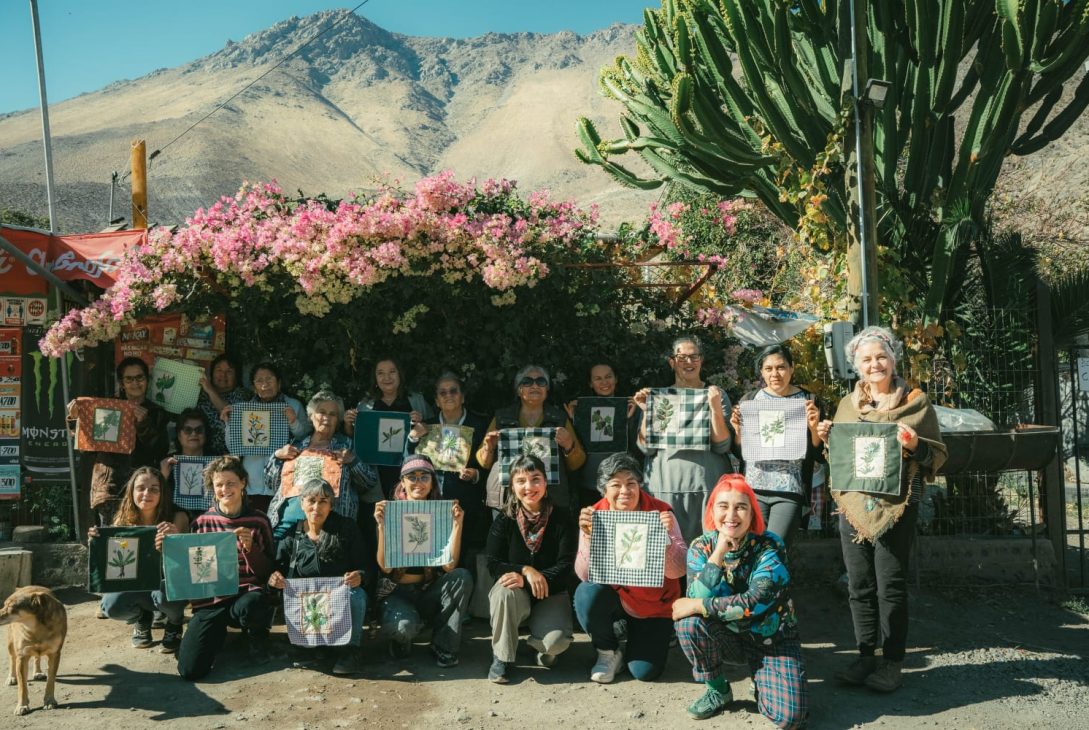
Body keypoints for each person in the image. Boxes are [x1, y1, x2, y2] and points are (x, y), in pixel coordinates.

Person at [816, 326, 947, 693]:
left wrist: (915, 443)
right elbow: (839, 459)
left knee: (890, 586)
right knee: (858, 585)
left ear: (893, 359)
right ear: (857, 366)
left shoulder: (916, 403)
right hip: (853, 508)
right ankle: (864, 656)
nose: (875, 364)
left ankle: (892, 662)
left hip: (897, 507)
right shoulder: (847, 404)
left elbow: (935, 455)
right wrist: (827, 437)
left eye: (881, 357)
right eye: (866, 359)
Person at [672, 475, 808, 727]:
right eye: (723, 506)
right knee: (688, 623)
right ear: (712, 510)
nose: (731, 515)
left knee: (790, 717)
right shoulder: (701, 547)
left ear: (752, 513)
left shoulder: (770, 545)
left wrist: (700, 606)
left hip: (772, 638)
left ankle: (764, 682)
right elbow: (696, 596)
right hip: (728, 636)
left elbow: (755, 600)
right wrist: (719, 552)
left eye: (741, 507)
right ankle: (718, 689)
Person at [574, 453, 686, 683]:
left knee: (644, 672)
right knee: (587, 592)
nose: (624, 491)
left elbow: (679, 571)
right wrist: (587, 537)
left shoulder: (661, 512)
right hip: (616, 598)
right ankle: (608, 651)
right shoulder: (595, 514)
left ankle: (644, 635)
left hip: (653, 604)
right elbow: (584, 574)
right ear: (603, 489)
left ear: (640, 486)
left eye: (631, 483)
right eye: (616, 484)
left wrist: (665, 539)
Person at [177, 456, 277, 681]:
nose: (225, 489)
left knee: (255, 602)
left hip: (245, 594)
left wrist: (250, 549)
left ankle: (257, 635)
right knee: (190, 670)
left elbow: (268, 570)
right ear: (212, 488)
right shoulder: (201, 523)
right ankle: (216, 632)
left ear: (243, 483)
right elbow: (192, 572)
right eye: (219, 484)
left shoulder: (259, 520)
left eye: (231, 483)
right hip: (211, 601)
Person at [373, 455, 473, 667]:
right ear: (403, 482)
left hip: (428, 590)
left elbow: (449, 566)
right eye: (412, 477)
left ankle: (444, 645)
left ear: (432, 482)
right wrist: (381, 527)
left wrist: (458, 525)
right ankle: (404, 636)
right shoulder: (390, 512)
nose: (418, 482)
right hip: (397, 592)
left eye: (424, 477)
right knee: (403, 629)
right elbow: (385, 566)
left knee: (461, 576)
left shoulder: (441, 513)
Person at [485, 454, 576, 684]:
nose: (529, 487)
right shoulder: (504, 519)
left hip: (551, 593)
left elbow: (566, 565)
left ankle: (534, 644)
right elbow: (493, 563)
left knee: (556, 644)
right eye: (521, 481)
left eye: (535, 479)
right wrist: (525, 570)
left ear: (546, 482)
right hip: (517, 594)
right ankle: (502, 657)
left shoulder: (563, 517)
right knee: (504, 590)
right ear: (513, 486)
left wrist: (538, 577)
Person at [633, 336, 734, 542]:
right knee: (668, 554)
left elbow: (723, 445)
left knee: (709, 553)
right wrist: (646, 411)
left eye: (694, 356)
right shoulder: (660, 397)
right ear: (672, 362)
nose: (689, 362)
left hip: (707, 488)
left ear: (701, 360)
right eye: (682, 357)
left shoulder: (715, 394)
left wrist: (714, 407)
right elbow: (645, 449)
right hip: (664, 489)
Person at [268, 479, 369, 676]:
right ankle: (315, 647)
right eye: (311, 500)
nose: (316, 507)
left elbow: (366, 566)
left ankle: (351, 651)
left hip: (341, 601)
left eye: (323, 501)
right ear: (301, 503)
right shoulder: (291, 535)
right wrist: (275, 579)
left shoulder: (346, 528)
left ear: (332, 504)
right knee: (307, 652)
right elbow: (275, 571)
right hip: (309, 606)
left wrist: (360, 576)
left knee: (356, 595)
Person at [729, 344, 824, 547]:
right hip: (754, 489)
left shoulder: (808, 401)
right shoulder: (751, 400)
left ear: (792, 369)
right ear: (762, 372)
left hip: (790, 489)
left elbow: (818, 452)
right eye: (768, 369)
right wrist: (738, 431)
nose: (775, 374)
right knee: (752, 551)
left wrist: (814, 428)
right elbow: (739, 452)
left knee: (776, 551)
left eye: (781, 367)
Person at [89, 466, 188, 653]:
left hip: (167, 587)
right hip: (137, 586)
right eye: (141, 488)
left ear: (162, 493)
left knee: (162, 593)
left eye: (154, 489)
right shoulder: (122, 521)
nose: (146, 493)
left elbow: (187, 566)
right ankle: (142, 617)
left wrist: (174, 542)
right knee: (110, 606)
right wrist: (97, 542)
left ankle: (175, 623)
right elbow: (112, 566)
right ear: (131, 491)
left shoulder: (177, 517)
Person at [68, 356, 171, 527]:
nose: (135, 383)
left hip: (143, 490)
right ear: (121, 383)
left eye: (140, 377)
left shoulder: (156, 412)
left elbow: (160, 450)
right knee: (111, 542)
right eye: (129, 379)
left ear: (147, 380)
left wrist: (143, 424)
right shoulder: (107, 409)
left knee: (140, 539)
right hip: (110, 487)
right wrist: (74, 419)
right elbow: (87, 448)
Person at [265, 391, 381, 540]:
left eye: (332, 414)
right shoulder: (295, 445)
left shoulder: (348, 446)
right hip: (287, 524)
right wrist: (277, 457)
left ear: (338, 419)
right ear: (311, 417)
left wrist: (353, 461)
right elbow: (271, 483)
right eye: (321, 412)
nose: (326, 418)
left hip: (332, 529)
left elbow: (369, 482)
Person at [477, 365, 586, 511]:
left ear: (547, 389)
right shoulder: (501, 418)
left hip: (549, 499)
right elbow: (483, 463)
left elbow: (578, 463)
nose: (535, 385)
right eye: (527, 382)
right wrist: (488, 448)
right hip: (507, 498)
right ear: (518, 390)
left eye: (541, 382)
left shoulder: (560, 418)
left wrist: (569, 446)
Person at [407, 372, 491, 559]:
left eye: (453, 391)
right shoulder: (426, 427)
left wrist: (476, 475)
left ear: (462, 397)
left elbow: (491, 467)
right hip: (431, 503)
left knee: (463, 557)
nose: (448, 396)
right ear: (436, 401)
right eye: (442, 393)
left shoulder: (480, 425)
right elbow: (407, 465)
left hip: (468, 505)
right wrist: (412, 437)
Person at [223, 362, 310, 514]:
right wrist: (229, 423)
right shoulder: (244, 410)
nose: (265, 385)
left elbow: (305, 437)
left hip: (283, 479)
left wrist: (293, 421)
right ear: (253, 387)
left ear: (279, 382)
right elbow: (233, 447)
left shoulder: (293, 405)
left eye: (269, 379)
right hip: (253, 480)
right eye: (259, 381)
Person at [345, 356, 434, 498]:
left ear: (400, 375)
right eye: (380, 373)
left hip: (410, 472)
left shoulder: (416, 401)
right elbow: (354, 439)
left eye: (392, 371)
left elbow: (432, 433)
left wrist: (422, 424)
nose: (387, 377)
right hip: (377, 475)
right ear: (375, 378)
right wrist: (348, 423)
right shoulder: (365, 406)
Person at [565, 362, 641, 506]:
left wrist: (630, 421)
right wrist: (574, 420)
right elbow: (576, 448)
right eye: (598, 378)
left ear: (616, 379)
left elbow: (638, 449)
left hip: (621, 484)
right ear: (590, 383)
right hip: (589, 484)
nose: (604, 382)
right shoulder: (581, 410)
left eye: (608, 377)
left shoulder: (631, 408)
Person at [160, 408, 220, 521]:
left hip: (211, 519)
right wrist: (163, 476)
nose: (194, 434)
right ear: (179, 435)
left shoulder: (218, 463)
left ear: (205, 434)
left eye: (199, 430)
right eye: (187, 430)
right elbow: (157, 499)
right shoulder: (168, 462)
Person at [197, 354, 251, 455]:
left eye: (229, 371)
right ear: (212, 373)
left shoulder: (242, 394)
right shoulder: (201, 395)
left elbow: (228, 413)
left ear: (237, 376)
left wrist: (210, 390)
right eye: (219, 370)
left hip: (231, 456)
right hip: (202, 454)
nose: (223, 375)